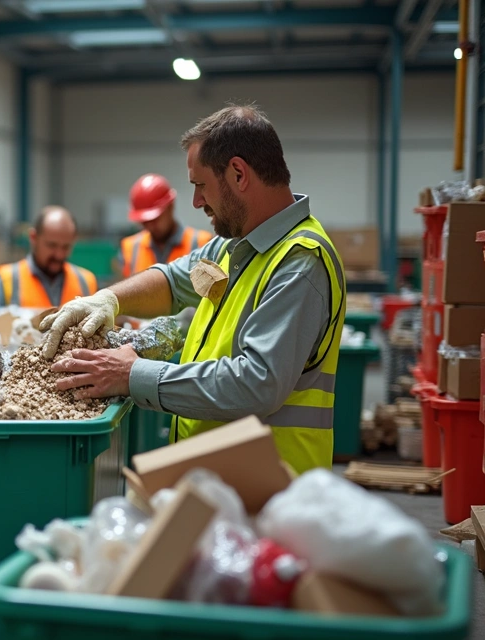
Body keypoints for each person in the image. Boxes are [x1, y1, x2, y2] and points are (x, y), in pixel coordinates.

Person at [41, 105, 346, 474]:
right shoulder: (236, 247)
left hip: (272, 495)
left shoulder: (299, 262)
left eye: (200, 185)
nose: (197, 202)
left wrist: (132, 375)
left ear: (238, 174)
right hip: (226, 485)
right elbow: (174, 282)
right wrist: (108, 300)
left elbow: (256, 384)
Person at [0, 206, 98, 310]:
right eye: (52, 245)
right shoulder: (5, 280)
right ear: (33, 237)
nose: (59, 255)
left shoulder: (86, 281)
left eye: (66, 247)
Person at [119, 174, 213, 278]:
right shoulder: (130, 247)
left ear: (170, 207)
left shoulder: (202, 243)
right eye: (144, 222)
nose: (150, 226)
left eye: (155, 219)